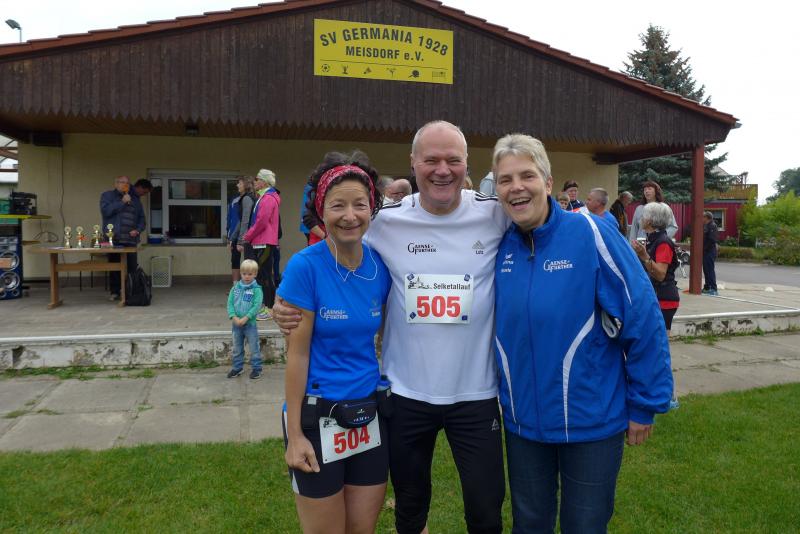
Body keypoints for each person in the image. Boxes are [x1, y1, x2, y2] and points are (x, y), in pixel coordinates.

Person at [276, 120, 508, 534]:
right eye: (431, 160)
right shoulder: (384, 222)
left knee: (486, 509)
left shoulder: (496, 215)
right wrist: (287, 307)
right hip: (405, 394)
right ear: (413, 163)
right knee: (410, 507)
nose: (442, 170)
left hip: (476, 393)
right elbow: (334, 253)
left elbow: (542, 226)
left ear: (467, 163)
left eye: (453, 160)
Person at [491, 134, 673, 533]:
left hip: (591, 422)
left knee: (585, 526)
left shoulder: (591, 233)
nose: (517, 187)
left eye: (527, 176)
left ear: (548, 182)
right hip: (524, 424)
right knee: (529, 525)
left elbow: (641, 315)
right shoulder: (500, 245)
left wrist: (645, 403)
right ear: (497, 190)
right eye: (505, 179)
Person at [279, 151, 390, 534]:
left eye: (360, 204)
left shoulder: (380, 267)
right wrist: (295, 435)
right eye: (337, 205)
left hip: (368, 414)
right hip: (316, 415)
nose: (350, 215)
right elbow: (297, 355)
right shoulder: (305, 267)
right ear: (321, 210)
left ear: (371, 208)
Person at [632, 202, 680, 333]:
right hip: (654, 295)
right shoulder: (651, 239)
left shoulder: (663, 242)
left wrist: (644, 256)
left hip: (664, 298)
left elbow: (660, 274)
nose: (640, 219)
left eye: (643, 216)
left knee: (659, 339)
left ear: (650, 221)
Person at [241, 169, 281, 320]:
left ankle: (270, 309)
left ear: (264, 182)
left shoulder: (268, 198)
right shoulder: (264, 197)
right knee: (262, 275)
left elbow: (261, 222)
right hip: (261, 241)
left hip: (264, 242)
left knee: (265, 275)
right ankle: (265, 307)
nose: (255, 182)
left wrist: (248, 235)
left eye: (257, 179)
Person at [100, 175, 146, 301]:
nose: (125, 185)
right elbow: (106, 212)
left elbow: (142, 219)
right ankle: (115, 292)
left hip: (131, 240)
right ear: (116, 184)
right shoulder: (108, 196)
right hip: (114, 238)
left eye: (127, 183)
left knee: (132, 266)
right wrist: (122, 202)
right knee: (115, 266)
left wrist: (138, 230)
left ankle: (131, 291)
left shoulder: (135, 199)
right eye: (122, 182)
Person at [226, 259, 264, 380]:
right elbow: (230, 303)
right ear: (241, 274)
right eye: (244, 274)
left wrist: (246, 317)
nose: (247, 276)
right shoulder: (235, 288)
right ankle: (238, 367)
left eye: (250, 274)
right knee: (237, 348)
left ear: (255, 274)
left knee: (254, 347)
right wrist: (233, 317)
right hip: (236, 324)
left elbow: (256, 306)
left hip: (250, 324)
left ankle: (257, 368)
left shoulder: (257, 290)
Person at [227, 176, 256, 284]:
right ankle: (239, 287)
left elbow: (245, 220)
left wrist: (240, 241)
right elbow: (240, 221)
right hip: (246, 236)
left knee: (249, 264)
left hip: (248, 237)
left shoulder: (247, 198)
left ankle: (251, 289)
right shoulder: (244, 198)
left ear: (246, 185)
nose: (237, 185)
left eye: (239, 183)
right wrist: (233, 237)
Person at [702, 211, 719, 295]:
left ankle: (713, 288)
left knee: (710, 270)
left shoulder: (712, 225)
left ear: (707, 218)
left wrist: (704, 249)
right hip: (706, 252)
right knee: (706, 270)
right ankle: (707, 287)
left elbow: (711, 240)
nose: (702, 219)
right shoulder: (706, 226)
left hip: (710, 251)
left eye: (703, 217)